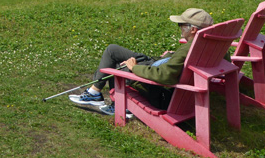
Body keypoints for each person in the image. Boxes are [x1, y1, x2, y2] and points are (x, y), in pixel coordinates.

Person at [70, 8, 214, 115]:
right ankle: (95, 93)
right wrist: (171, 55)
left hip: (158, 87)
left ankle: (118, 104)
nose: (180, 28)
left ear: (193, 29)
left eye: (181, 25)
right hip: (159, 64)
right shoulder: (211, 45)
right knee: (112, 50)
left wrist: (134, 68)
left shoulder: (188, 49)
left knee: (116, 66)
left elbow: (164, 76)